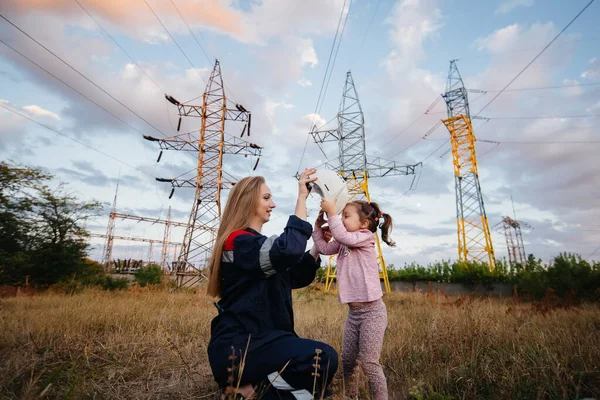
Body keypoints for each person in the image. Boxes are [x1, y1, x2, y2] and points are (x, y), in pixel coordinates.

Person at [207, 169, 338, 400]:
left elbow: (295, 275)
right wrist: (301, 199)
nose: (273, 204)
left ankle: (251, 389)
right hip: (240, 347)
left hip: (264, 342)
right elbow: (286, 251)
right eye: (266, 198)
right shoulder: (236, 241)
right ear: (248, 202)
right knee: (323, 358)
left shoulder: (257, 247)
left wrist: (317, 244)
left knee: (320, 380)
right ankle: (252, 390)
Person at [312, 198, 395, 400]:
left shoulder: (365, 237)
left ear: (364, 224)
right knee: (348, 361)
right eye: (340, 216)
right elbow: (323, 248)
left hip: (372, 313)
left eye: (345, 216)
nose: (341, 219)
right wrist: (317, 229)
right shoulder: (344, 241)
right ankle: (351, 396)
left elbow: (341, 234)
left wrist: (331, 213)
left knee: (369, 363)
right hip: (354, 314)